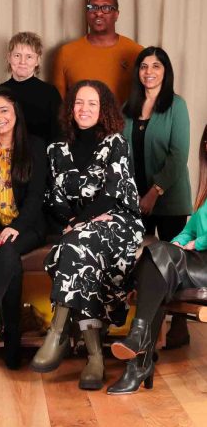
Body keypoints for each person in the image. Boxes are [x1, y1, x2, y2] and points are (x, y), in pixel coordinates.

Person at [30, 80, 144, 390]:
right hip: (77, 229)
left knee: (74, 246)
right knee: (77, 251)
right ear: (70, 108)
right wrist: (72, 222)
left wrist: (79, 222)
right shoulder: (56, 150)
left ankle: (59, 334)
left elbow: (111, 193)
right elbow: (52, 198)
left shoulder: (116, 143)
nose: (84, 109)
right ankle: (95, 356)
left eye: (92, 103)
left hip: (118, 223)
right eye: (79, 103)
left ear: (103, 108)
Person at [108, 124, 207, 395]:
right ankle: (139, 356)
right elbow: (192, 226)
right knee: (159, 253)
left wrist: (194, 243)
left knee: (159, 260)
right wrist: (180, 240)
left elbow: (201, 236)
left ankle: (139, 357)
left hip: (203, 262)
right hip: (196, 258)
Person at [0, 86, 47, 369]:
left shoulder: (35, 146)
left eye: (4, 110)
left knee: (9, 248)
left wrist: (17, 226)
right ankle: (11, 336)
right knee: (8, 257)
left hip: (28, 226)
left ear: (16, 113)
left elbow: (38, 194)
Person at [122, 46, 192, 349]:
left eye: (156, 66)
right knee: (140, 263)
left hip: (169, 196)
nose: (149, 72)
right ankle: (144, 328)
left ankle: (178, 325)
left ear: (166, 71)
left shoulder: (177, 106)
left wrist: (154, 192)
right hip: (133, 198)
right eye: (144, 66)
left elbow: (179, 156)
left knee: (176, 261)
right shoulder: (128, 106)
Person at [52, 0, 142, 105]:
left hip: (124, 123)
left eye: (106, 8)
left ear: (116, 15)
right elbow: (58, 107)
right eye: (93, 7)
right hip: (79, 123)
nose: (98, 13)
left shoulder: (136, 52)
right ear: (87, 13)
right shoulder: (65, 53)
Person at [1, 32, 61, 143]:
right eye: (17, 55)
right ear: (9, 58)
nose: (22, 62)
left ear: (37, 60)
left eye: (29, 56)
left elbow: (58, 135)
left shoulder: (50, 93)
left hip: (41, 157)